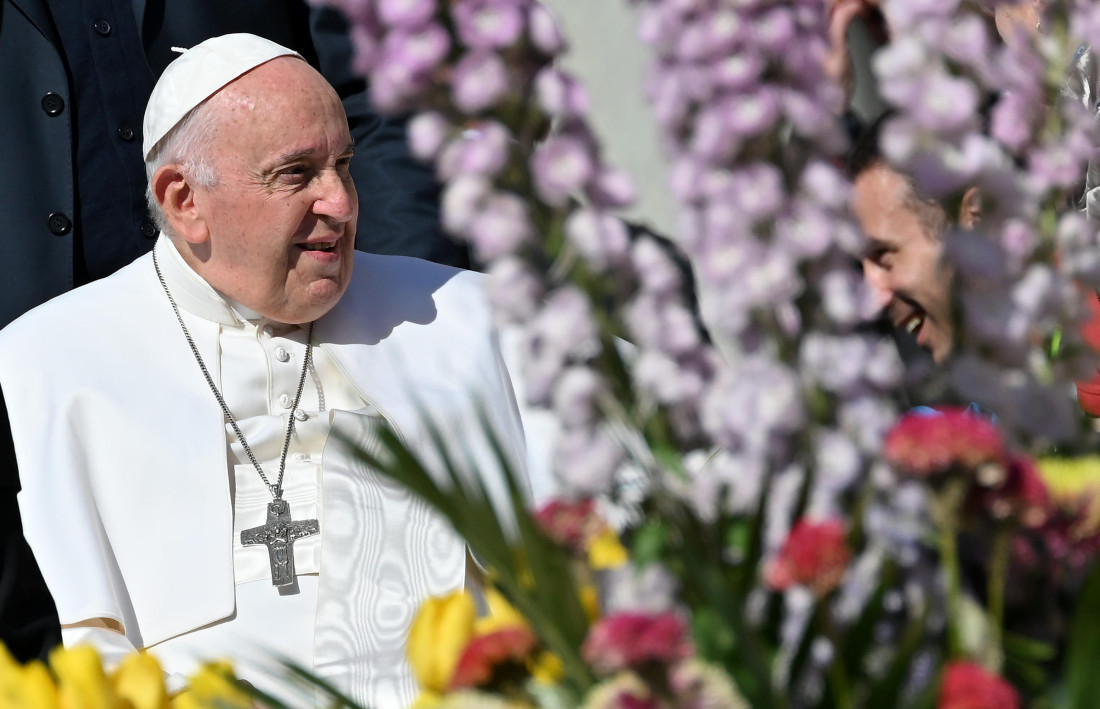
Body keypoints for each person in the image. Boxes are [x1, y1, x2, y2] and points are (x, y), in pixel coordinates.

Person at [0, 33, 525, 708]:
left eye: (344, 164)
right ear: (184, 200)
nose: (340, 202)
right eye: (297, 173)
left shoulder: (470, 315)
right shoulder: (41, 368)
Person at [0, 0, 468, 332]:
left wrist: (399, 295)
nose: (340, 203)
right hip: (25, 341)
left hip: (295, 325)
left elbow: (382, 89)